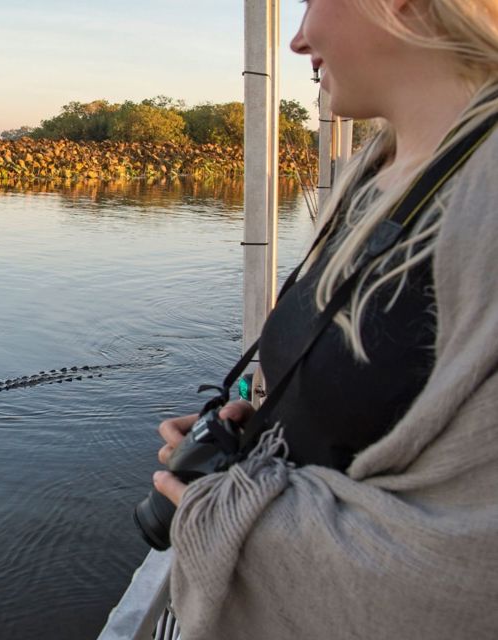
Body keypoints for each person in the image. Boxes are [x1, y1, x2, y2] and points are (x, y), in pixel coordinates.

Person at [150, 0, 498, 637]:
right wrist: (272, 424)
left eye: (312, 2)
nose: (298, 40)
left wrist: (230, 513)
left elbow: (473, 571)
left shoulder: (482, 196)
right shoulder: (377, 174)